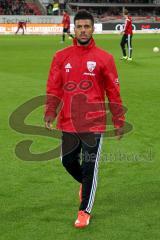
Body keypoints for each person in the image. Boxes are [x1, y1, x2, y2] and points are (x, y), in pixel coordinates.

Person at [44, 10, 125, 228]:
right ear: (73, 29)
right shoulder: (61, 57)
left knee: (90, 167)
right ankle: (85, 184)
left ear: (93, 28)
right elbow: (54, 87)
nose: (83, 30)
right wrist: (50, 110)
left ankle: (84, 210)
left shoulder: (104, 58)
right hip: (69, 120)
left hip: (94, 122)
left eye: (86, 26)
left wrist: (118, 119)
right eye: (79, 26)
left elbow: (113, 91)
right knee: (67, 161)